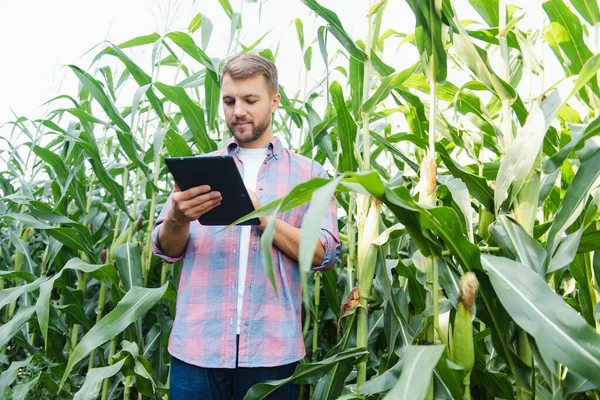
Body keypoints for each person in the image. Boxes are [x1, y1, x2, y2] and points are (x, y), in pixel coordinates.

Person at [151, 53, 340, 400]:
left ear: (274, 101)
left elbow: (324, 254)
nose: (238, 110)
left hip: (272, 353)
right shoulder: (200, 168)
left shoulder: (310, 175)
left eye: (250, 100)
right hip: (197, 350)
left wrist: (263, 215)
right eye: (229, 101)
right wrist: (178, 218)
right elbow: (166, 249)